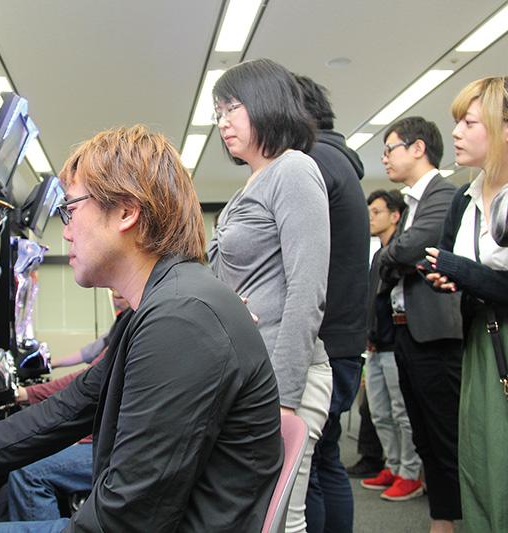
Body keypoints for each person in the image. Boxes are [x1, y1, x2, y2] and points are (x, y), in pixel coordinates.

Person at [0, 125, 283, 532]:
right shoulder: (163, 305)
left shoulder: (182, 319)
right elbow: (66, 410)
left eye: (71, 209)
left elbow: (128, 517)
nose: (66, 231)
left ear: (126, 212)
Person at [208, 58, 332, 533]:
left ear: (265, 103)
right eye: (218, 113)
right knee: (256, 518)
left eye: (231, 108)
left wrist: (284, 396)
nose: (223, 123)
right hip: (249, 376)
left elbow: (307, 289)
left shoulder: (294, 170)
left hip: (283, 378)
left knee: (283, 520)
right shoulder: (251, 183)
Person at [420, 76, 508, 531]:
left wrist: (462, 271)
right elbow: (450, 262)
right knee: (481, 459)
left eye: (469, 123)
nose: (455, 133)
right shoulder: (464, 198)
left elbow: (470, 269)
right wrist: (445, 277)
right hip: (480, 340)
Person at [377, 116, 463, 533]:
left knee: (447, 435)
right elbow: (393, 257)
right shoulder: (410, 203)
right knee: (423, 435)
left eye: (390, 148)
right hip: (405, 332)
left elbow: (410, 248)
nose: (385, 158)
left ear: (417, 149)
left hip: (436, 334)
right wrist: (399, 257)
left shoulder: (445, 194)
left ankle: (463, 518)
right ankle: (441, 520)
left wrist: (398, 256)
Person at [294, 75, 369, 533]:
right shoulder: (337, 159)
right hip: (343, 338)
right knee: (325, 459)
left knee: (312, 469)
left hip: (325, 341)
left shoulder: (315, 161)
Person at [1, 295, 131, 522]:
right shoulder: (125, 322)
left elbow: (85, 381)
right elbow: (89, 356)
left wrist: (28, 393)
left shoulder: (135, 323)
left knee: (28, 473)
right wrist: (49, 364)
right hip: (107, 441)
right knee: (5, 497)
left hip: (116, 450)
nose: (114, 293)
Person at [362, 190, 423, 501]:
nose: (371, 218)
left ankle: (410, 474)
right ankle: (393, 465)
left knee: (402, 413)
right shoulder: (378, 256)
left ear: (395, 216)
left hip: (396, 343)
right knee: (379, 413)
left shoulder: (403, 255)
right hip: (374, 345)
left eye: (377, 212)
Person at [47, 290, 128, 368]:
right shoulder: (121, 320)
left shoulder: (129, 322)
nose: (114, 296)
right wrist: (53, 363)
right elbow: (91, 351)